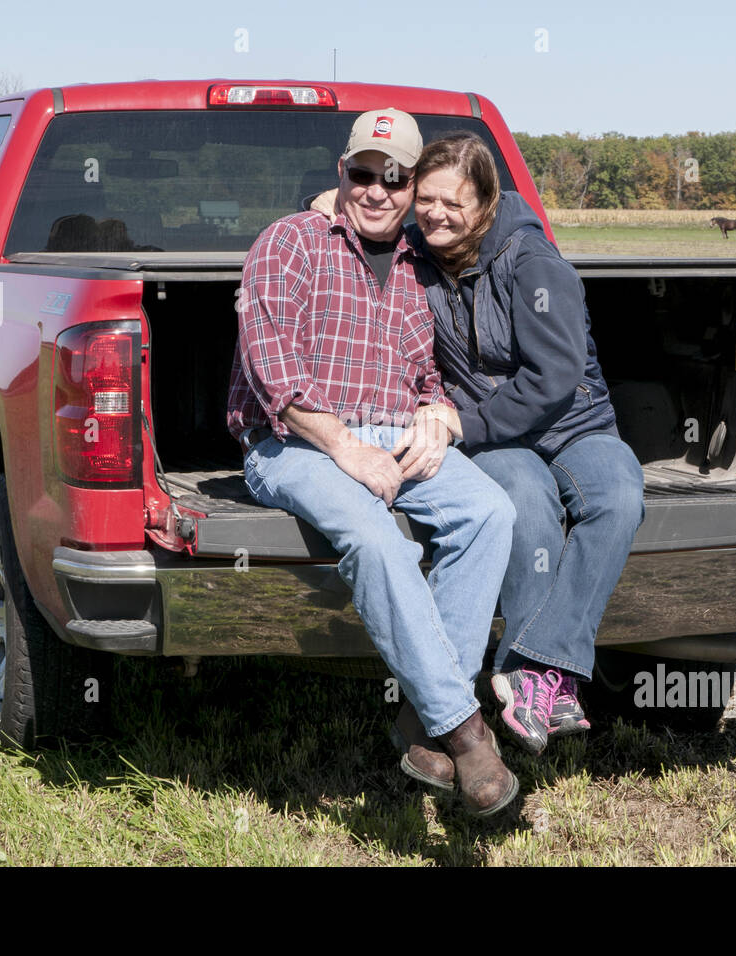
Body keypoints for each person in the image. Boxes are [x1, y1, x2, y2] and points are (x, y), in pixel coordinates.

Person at [227, 111, 520, 815]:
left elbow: (428, 371)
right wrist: (346, 449)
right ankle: (466, 731)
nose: (377, 190)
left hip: (391, 436)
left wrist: (435, 415)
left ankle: (420, 723)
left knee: (490, 512)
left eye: (394, 177)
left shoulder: (422, 264)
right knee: (375, 538)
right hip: (292, 444)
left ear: (414, 184)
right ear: (341, 174)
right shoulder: (288, 243)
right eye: (363, 173)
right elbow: (276, 375)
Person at [404, 132, 646, 755]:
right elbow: (357, 218)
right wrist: (322, 201)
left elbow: (555, 376)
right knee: (525, 506)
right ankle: (543, 686)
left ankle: (534, 667)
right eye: (424, 198)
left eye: (452, 202)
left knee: (619, 494)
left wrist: (465, 423)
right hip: (501, 437)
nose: (435, 213)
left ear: (485, 203)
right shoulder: (415, 253)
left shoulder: (532, 261)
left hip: (574, 422)